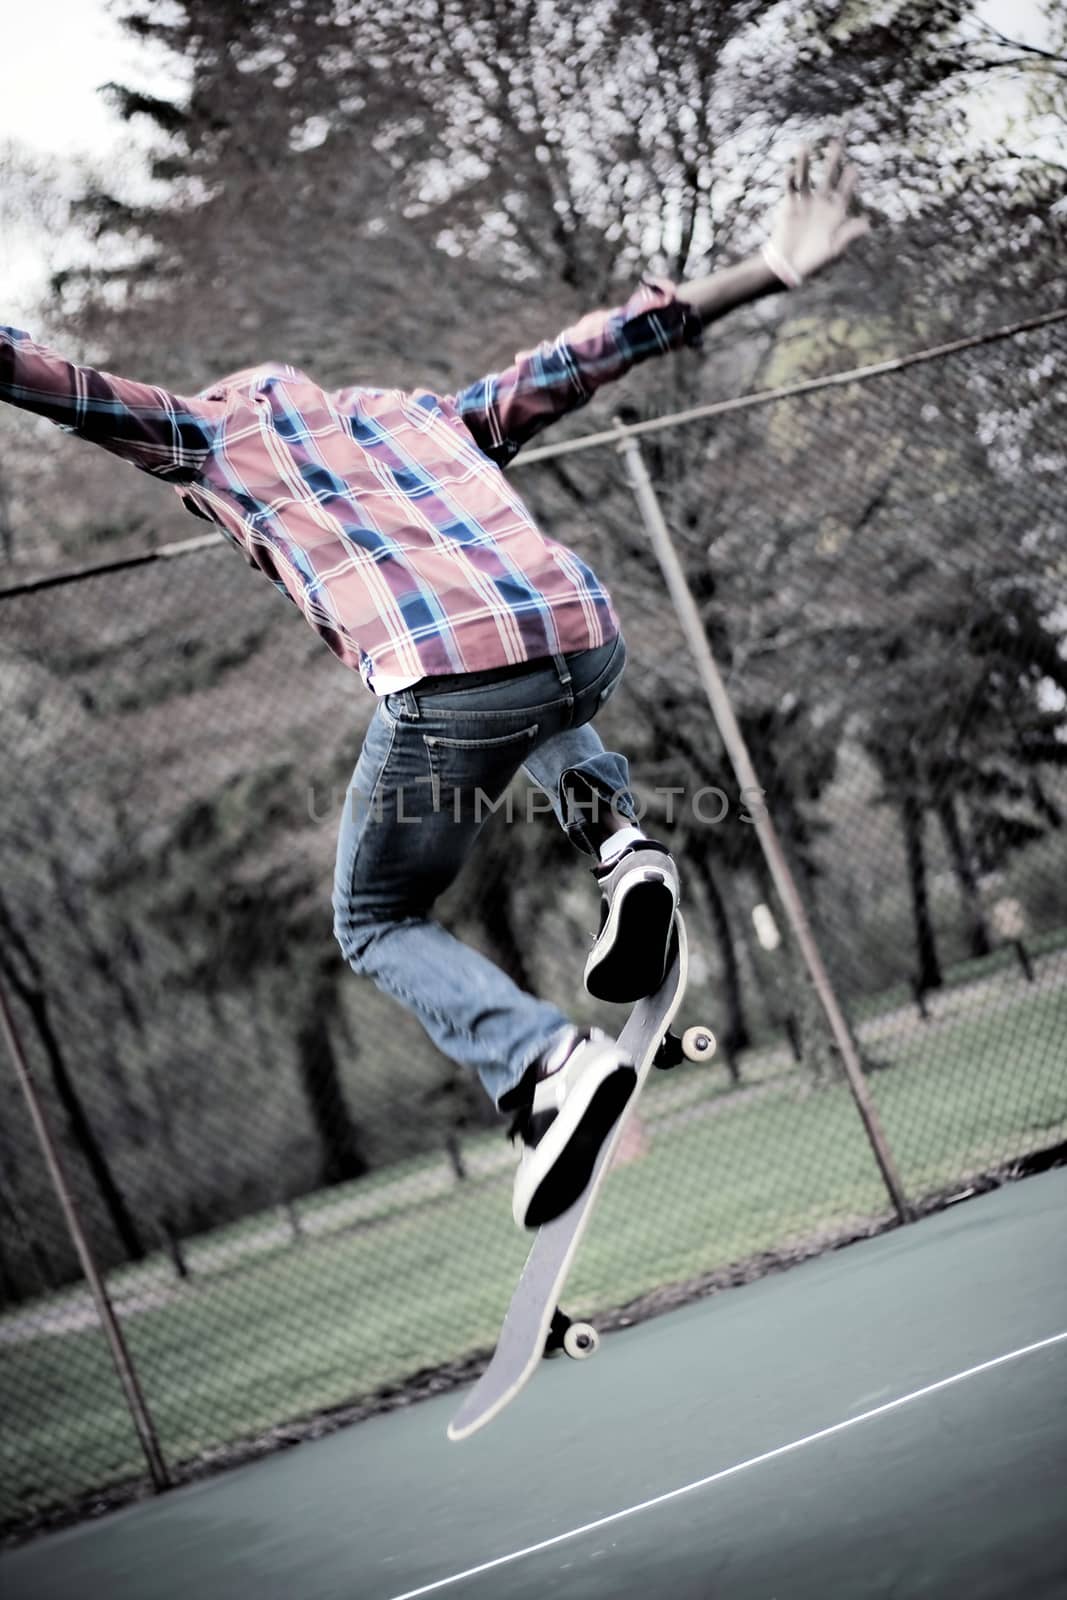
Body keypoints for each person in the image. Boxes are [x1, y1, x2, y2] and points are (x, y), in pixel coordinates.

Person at [0, 142, 868, 1227]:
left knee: (373, 915)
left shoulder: (207, 436)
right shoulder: (424, 416)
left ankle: (549, 1062)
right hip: (581, 634)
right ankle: (623, 849)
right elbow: (586, 352)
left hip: (454, 687)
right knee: (536, 678)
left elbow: (51, 383)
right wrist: (768, 271)